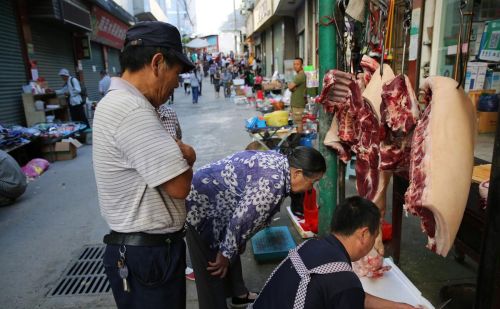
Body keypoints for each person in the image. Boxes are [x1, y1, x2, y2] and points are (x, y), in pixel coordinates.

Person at [92, 21, 196, 309]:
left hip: (146, 252)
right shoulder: (131, 110)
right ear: (157, 63)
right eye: (176, 73)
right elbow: (179, 186)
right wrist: (188, 156)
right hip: (146, 256)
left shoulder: (127, 105)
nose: (177, 83)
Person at [185, 146, 327, 309]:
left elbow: (241, 223)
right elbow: (239, 222)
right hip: (201, 205)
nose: (311, 188)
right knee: (213, 269)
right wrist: (224, 255)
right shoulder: (271, 186)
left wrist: (232, 247)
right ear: (297, 173)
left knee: (232, 246)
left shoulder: (282, 162)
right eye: (313, 182)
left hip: (219, 200)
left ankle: (239, 297)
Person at [253, 196, 421, 309]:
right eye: (375, 235)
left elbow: (353, 296)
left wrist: (400, 307)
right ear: (363, 234)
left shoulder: (310, 245)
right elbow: (347, 291)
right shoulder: (343, 280)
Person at [288, 57, 307, 133]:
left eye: (298, 64)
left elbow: (290, 86)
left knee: (299, 123)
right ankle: (298, 140)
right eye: (294, 64)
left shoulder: (300, 76)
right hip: (296, 104)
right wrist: (292, 87)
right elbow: (291, 87)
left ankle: (299, 140)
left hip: (298, 104)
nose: (295, 66)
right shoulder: (298, 75)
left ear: (302, 65)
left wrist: (291, 87)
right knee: (297, 123)